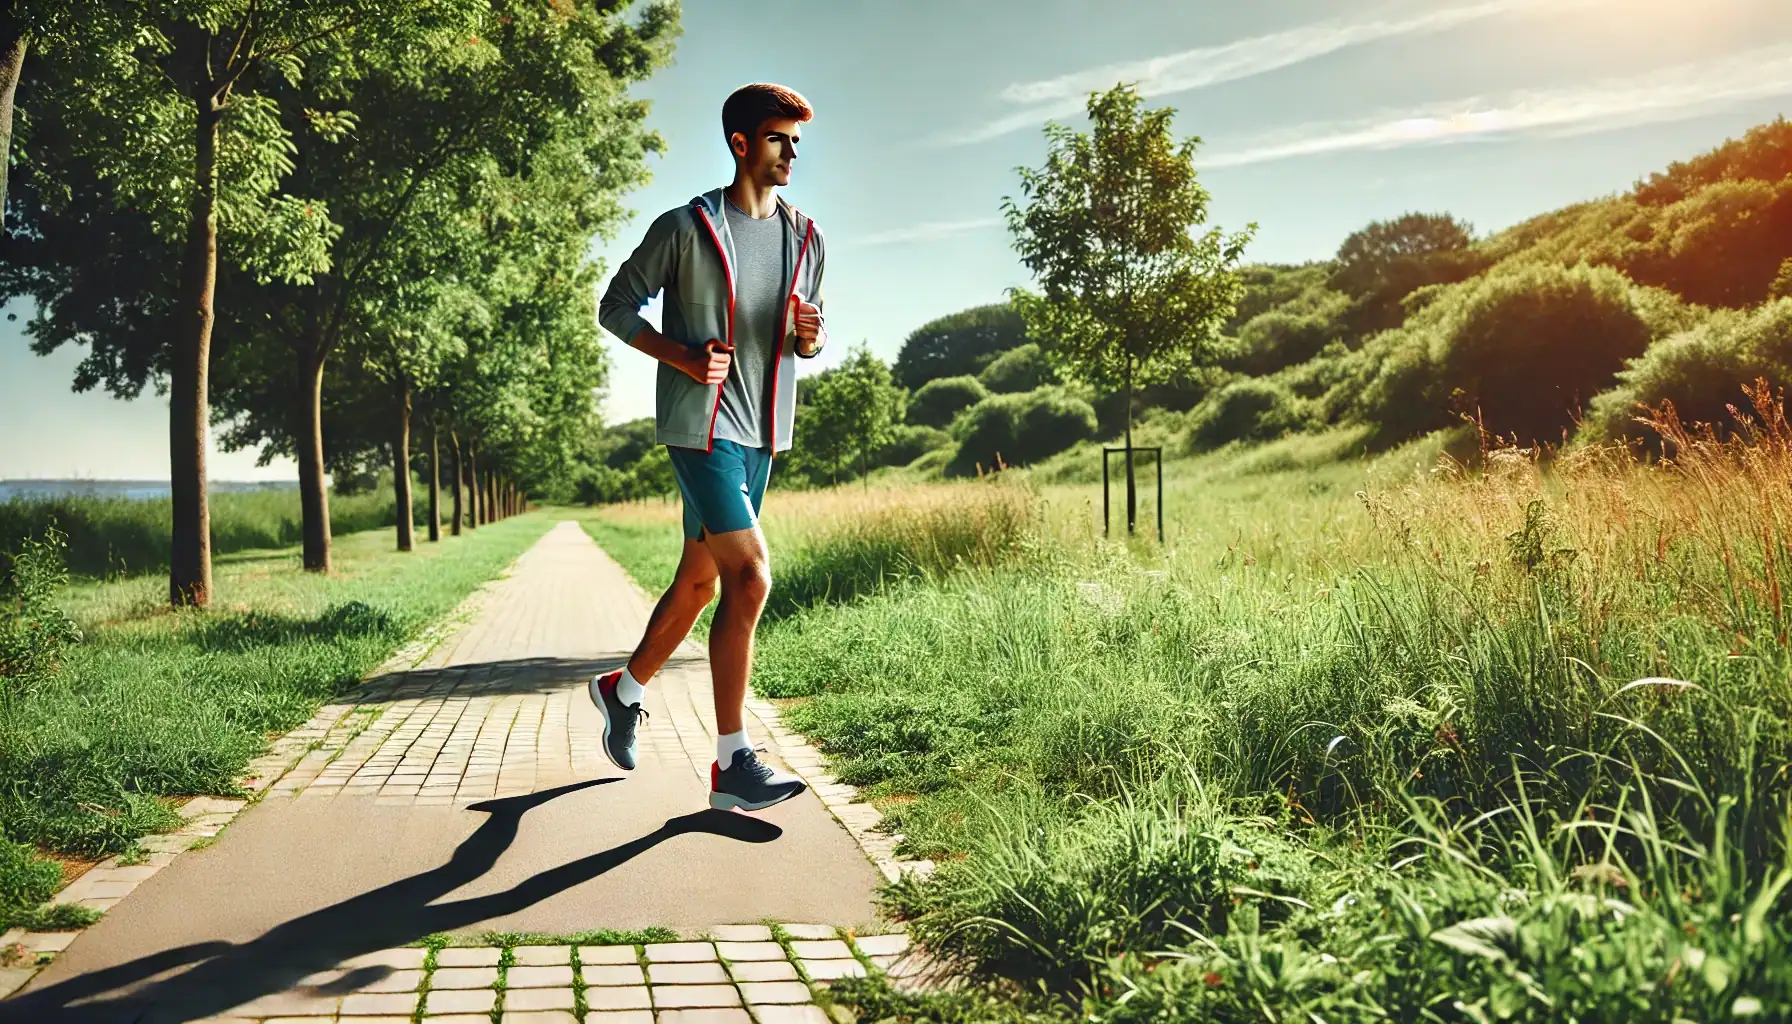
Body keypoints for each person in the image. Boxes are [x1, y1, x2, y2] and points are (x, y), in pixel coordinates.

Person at [591, 83, 828, 812]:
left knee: (699, 584)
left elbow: (798, 337)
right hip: (701, 428)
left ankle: (621, 691)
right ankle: (732, 764)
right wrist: (682, 357)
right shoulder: (686, 227)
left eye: (796, 141)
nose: (792, 152)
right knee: (750, 577)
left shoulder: (806, 237)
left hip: (761, 434)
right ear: (741, 144)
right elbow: (615, 307)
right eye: (779, 138)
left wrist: (809, 341)